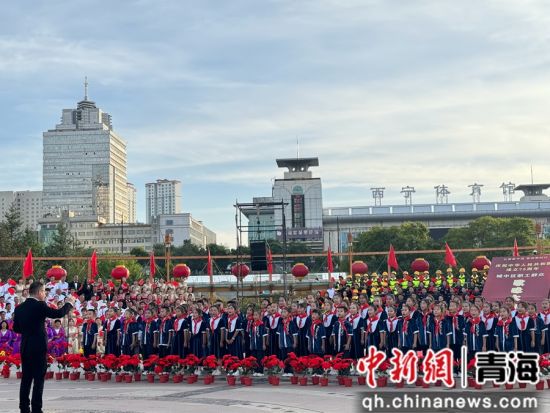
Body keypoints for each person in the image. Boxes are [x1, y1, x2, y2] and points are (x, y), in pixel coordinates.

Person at [13, 281, 75, 413]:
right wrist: (69, 303)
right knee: (38, 379)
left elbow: (16, 328)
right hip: (39, 347)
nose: (45, 295)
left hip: (25, 346)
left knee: (26, 379)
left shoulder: (19, 308)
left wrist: (28, 330)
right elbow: (57, 314)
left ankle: (24, 408)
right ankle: (36, 409)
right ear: (39, 292)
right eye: (44, 292)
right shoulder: (40, 305)